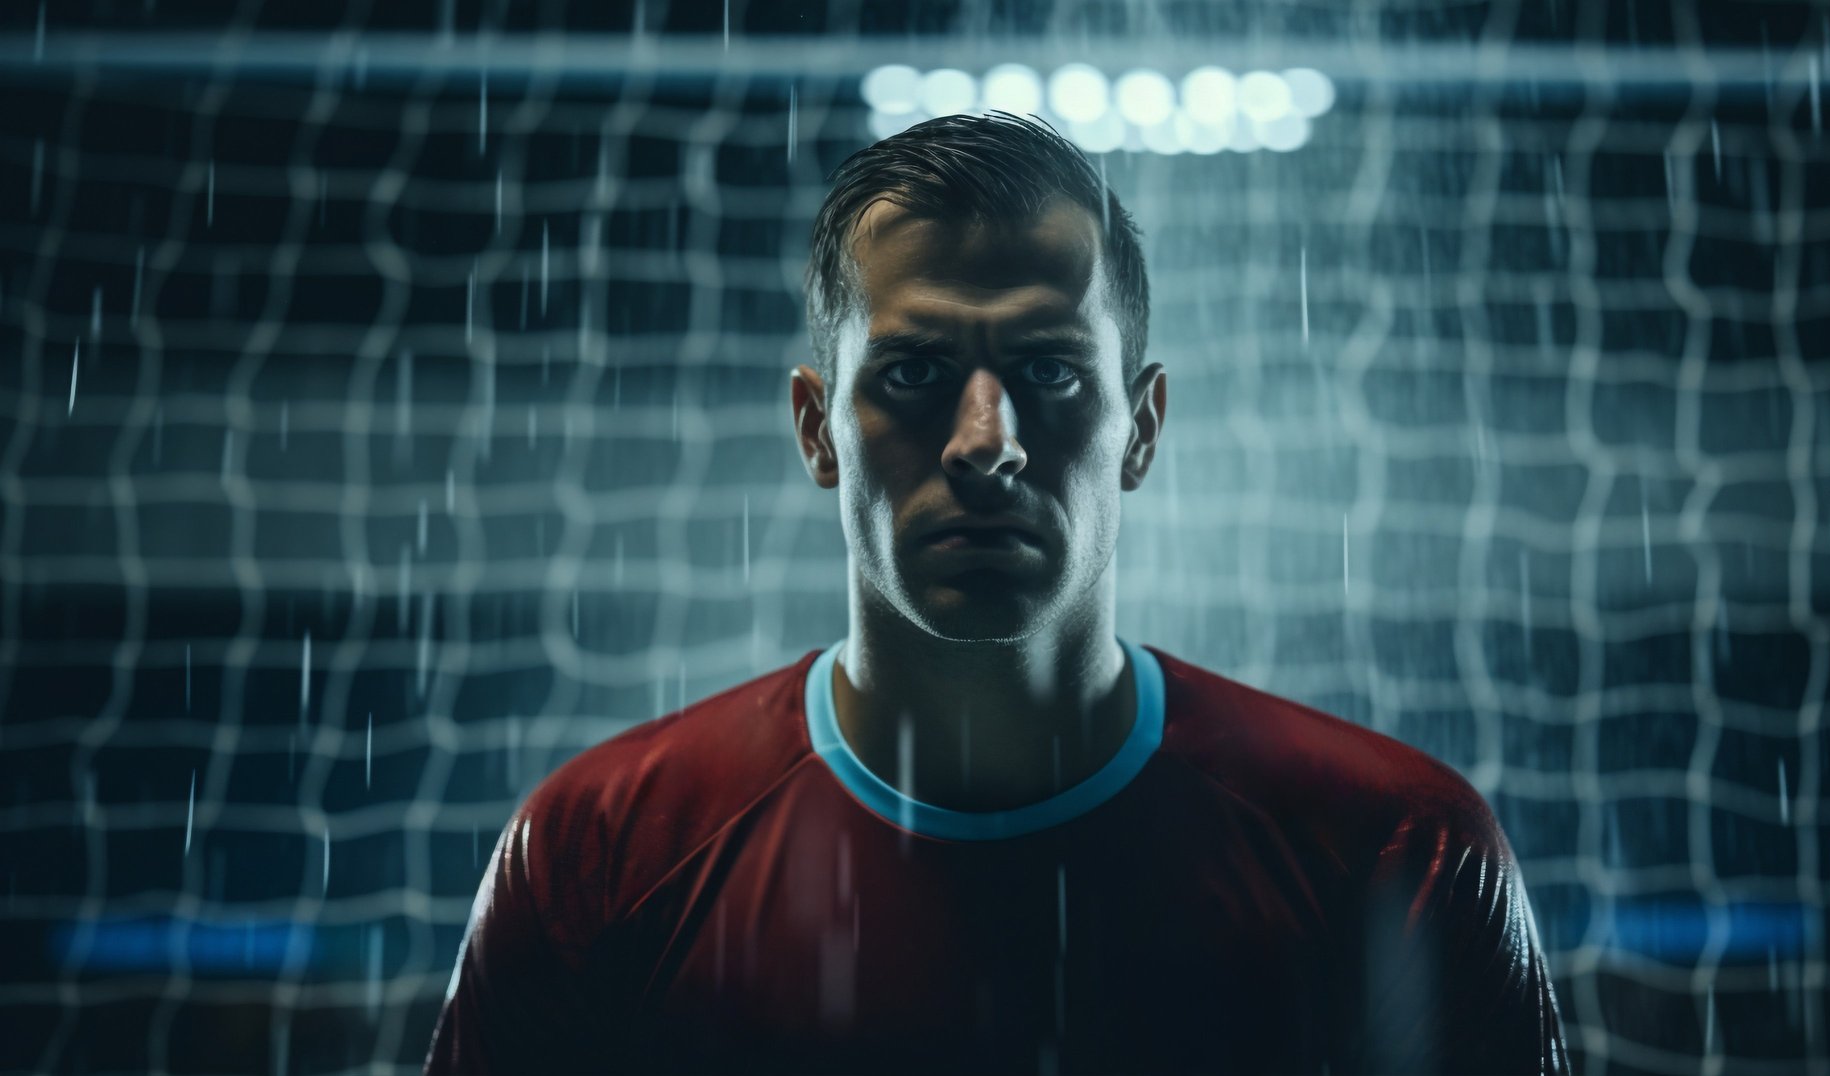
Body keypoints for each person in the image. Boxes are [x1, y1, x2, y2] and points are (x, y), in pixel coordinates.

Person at [425, 111, 1569, 1075]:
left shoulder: (1395, 852)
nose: (986, 442)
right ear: (818, 429)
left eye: (1051, 370)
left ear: (1145, 426)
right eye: (916, 373)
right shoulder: (598, 854)